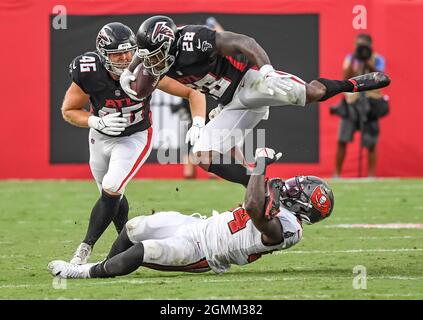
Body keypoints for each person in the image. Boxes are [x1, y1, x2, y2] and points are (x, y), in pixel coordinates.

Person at [120, 16, 391, 187]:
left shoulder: (195, 40)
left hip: (249, 82)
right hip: (229, 104)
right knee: (202, 157)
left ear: (170, 44)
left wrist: (266, 70)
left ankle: (353, 84)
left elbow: (243, 41)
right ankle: (257, 185)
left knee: (311, 94)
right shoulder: (156, 58)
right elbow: (142, 77)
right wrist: (129, 73)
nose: (152, 62)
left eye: (155, 55)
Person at [47, 147, 334, 278]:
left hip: (203, 252)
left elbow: (252, 208)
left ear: (306, 206)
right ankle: (107, 267)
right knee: (134, 227)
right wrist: (211, 153)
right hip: (199, 226)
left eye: (302, 190)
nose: (295, 187)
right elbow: (247, 183)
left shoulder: (289, 229)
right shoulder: (280, 203)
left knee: (143, 250)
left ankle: (84, 273)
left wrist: (261, 165)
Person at [63, 22, 206, 265]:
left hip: (134, 137)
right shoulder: (88, 71)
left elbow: (193, 92)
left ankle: (85, 247)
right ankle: (125, 245)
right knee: (111, 195)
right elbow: (68, 110)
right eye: (117, 53)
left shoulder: (146, 69)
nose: (125, 58)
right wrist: (95, 121)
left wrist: (199, 122)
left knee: (112, 186)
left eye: (128, 51)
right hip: (100, 138)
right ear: (102, 55)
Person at [332, 33, 389, 177]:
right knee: (342, 139)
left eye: (363, 45)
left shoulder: (378, 59)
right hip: (352, 102)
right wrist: (354, 59)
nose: (361, 48)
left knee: (371, 142)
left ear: (370, 45)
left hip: (371, 103)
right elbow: (345, 77)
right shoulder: (350, 58)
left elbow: (382, 77)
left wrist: (367, 61)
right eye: (358, 45)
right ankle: (337, 174)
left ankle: (371, 175)